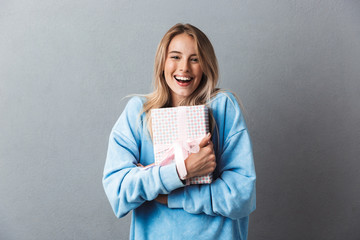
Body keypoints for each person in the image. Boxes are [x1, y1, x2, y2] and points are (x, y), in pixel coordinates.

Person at [102, 23, 256, 240]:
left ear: (205, 66)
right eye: (175, 57)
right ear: (162, 62)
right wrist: (181, 171)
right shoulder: (138, 113)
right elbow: (119, 192)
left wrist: (167, 195)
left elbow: (241, 196)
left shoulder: (223, 108)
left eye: (195, 59)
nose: (184, 67)